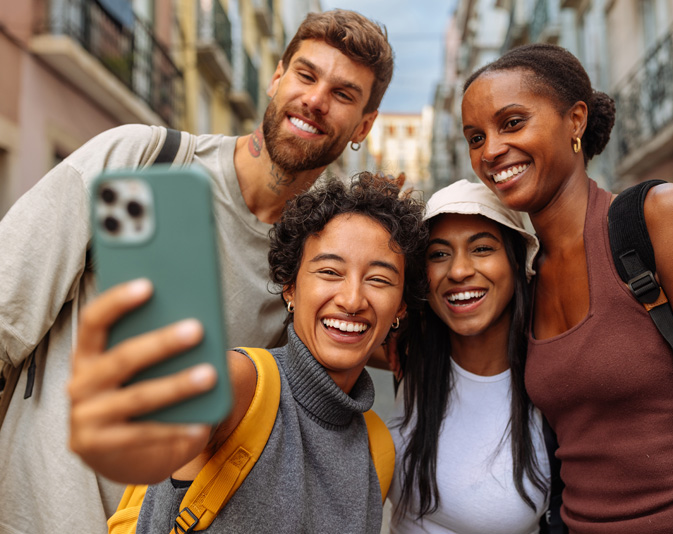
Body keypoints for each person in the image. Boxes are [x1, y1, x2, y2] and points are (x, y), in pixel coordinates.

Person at [0, 9, 394, 533]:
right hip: (39, 515)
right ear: (277, 77)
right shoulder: (143, 163)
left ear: (363, 126)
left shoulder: (317, 262)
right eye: (306, 75)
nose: (316, 100)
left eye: (344, 94)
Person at [460, 43, 673, 534]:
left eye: (512, 123)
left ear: (575, 120)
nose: (491, 150)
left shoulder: (660, 217)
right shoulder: (525, 277)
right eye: (475, 137)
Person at [68, 174, 428, 532]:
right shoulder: (246, 383)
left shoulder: (377, 447)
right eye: (330, 271)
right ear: (290, 288)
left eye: (379, 279)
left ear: (400, 308)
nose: (352, 300)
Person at [387, 179, 550, 533]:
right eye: (439, 254)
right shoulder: (406, 351)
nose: (459, 271)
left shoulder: (553, 382)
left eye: (481, 249)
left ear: (517, 262)